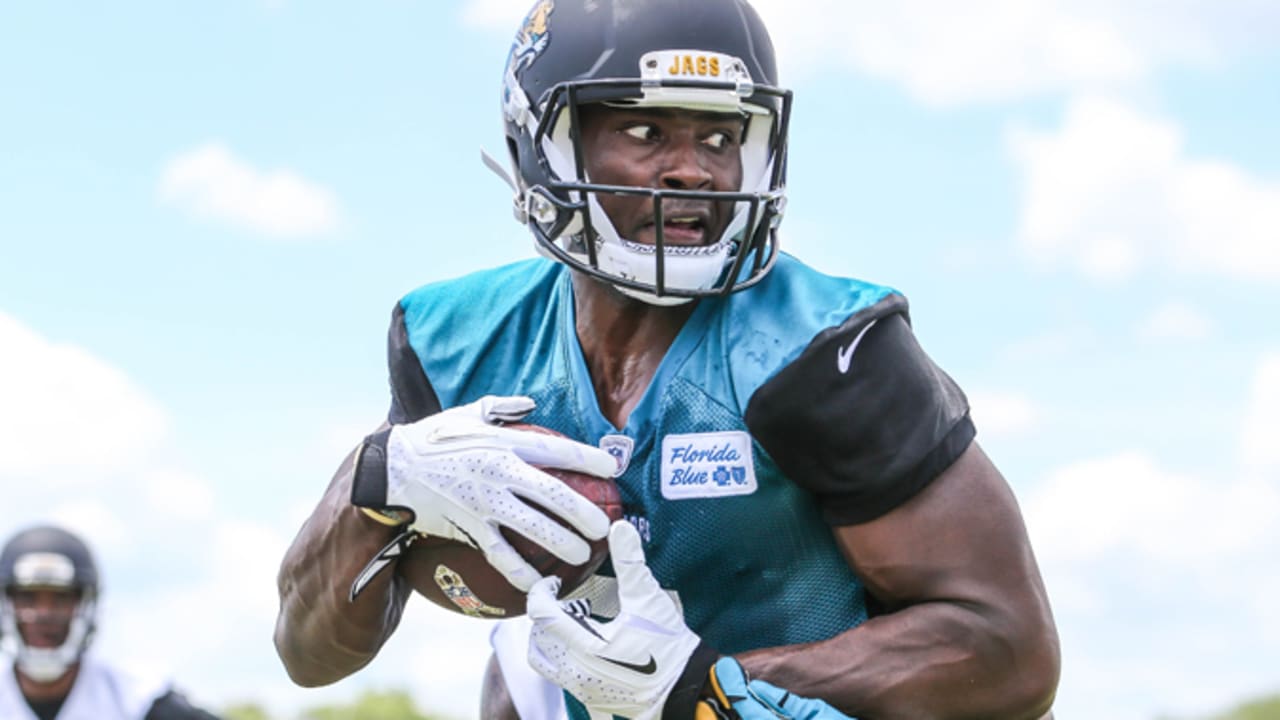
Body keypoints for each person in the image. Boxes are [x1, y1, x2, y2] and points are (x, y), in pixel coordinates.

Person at [273, 0, 1061, 718]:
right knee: (527, 664)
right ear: (544, 142)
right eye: (647, 131)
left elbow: (1008, 651)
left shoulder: (820, 350)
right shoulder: (459, 343)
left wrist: (707, 692)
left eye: (721, 136)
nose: (696, 169)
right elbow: (308, 654)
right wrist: (374, 479)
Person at [0, 525, 222, 720]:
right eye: (27, 598)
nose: (44, 614)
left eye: (60, 599)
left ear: (86, 606)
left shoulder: (135, 699)